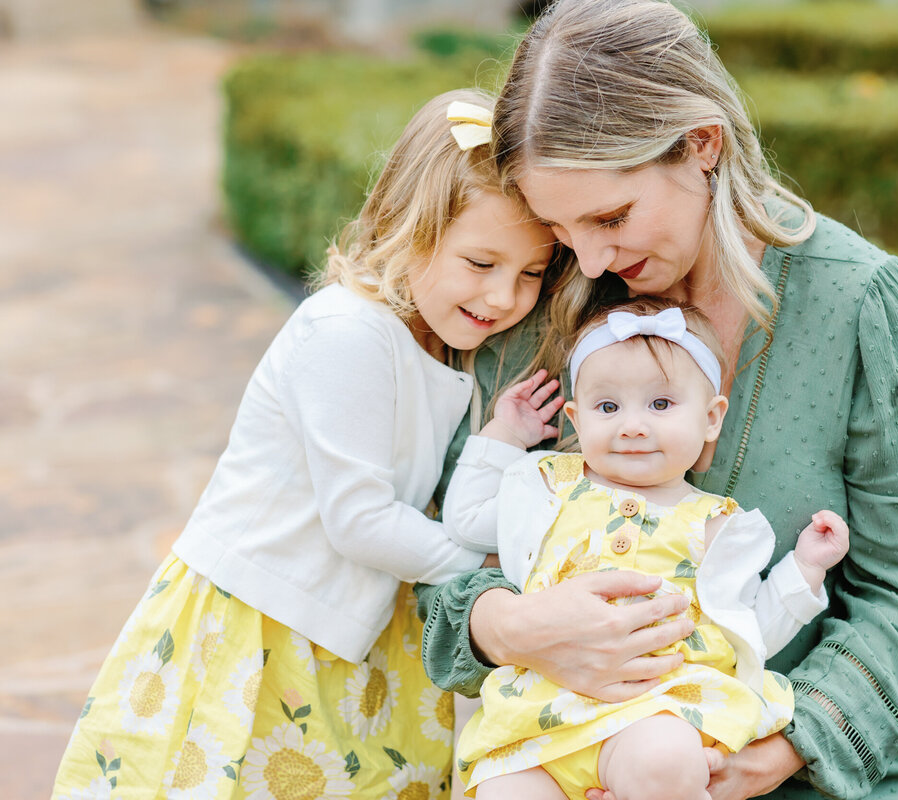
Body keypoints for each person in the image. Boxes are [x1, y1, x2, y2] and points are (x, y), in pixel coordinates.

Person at [416, 1, 898, 798]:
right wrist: (510, 627)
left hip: (812, 772)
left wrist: (775, 750)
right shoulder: (544, 288)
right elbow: (443, 545)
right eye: (561, 227)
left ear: (701, 144)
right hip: (571, 760)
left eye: (612, 215)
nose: (592, 255)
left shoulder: (854, 301)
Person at [51, 88, 559, 800]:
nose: (506, 296)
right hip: (264, 622)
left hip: (356, 629)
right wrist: (489, 575)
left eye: (530, 273)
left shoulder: (447, 353)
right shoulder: (345, 331)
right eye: (481, 263)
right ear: (410, 228)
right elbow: (359, 519)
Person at [443, 299, 850, 800]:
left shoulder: (718, 524)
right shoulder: (548, 486)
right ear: (576, 418)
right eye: (608, 407)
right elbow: (465, 520)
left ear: (710, 418)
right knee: (503, 792)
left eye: (660, 405)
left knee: (665, 761)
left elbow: (749, 631)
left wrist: (804, 570)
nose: (632, 425)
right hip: (540, 717)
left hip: (656, 707)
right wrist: (507, 433)